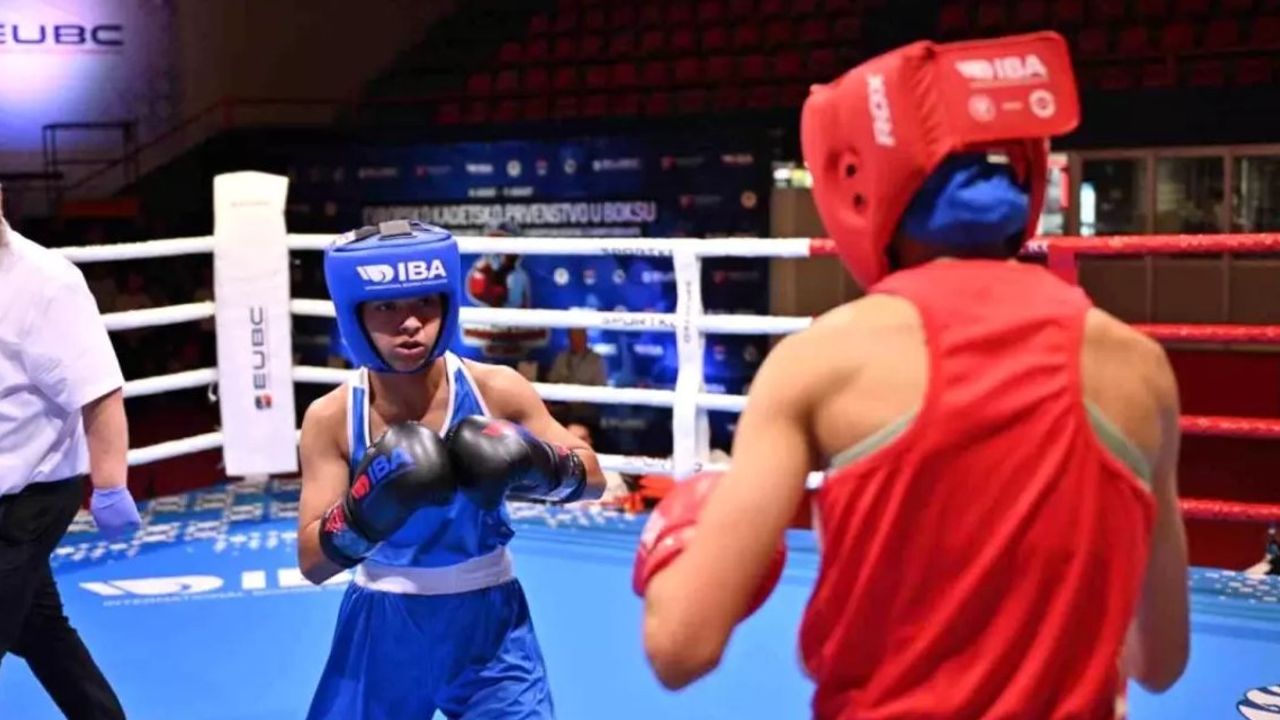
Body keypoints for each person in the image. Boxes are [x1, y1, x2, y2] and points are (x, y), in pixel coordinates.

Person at [633, 31, 1190, 717]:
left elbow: (680, 646)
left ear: (858, 179)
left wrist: (678, 536)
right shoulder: (1138, 366)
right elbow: (1161, 659)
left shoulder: (825, 360)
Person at [297, 219, 606, 719]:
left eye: (425, 302)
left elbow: (593, 479)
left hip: (490, 627)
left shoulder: (495, 389)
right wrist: (367, 507)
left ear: (446, 303)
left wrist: (535, 461)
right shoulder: (332, 417)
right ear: (355, 314)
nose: (410, 322)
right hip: (382, 623)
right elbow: (313, 562)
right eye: (386, 306)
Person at [0, 183, 140, 719]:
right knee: (40, 629)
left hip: (31, 495)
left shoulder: (49, 283)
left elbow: (99, 390)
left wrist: (110, 486)